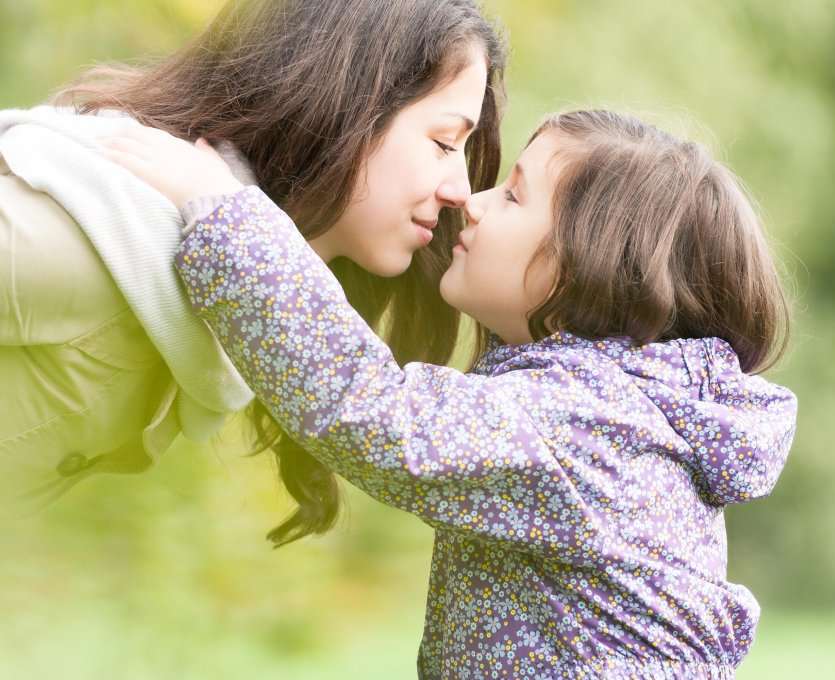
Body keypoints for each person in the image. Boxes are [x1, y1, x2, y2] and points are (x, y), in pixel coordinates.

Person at [104, 108, 797, 677]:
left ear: (590, 269)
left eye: (515, 194)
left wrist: (222, 210)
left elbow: (372, 411)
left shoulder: (591, 427)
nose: (471, 198)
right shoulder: (614, 409)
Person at [0, 0, 507, 545]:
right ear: (341, 106)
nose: (461, 190)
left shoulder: (221, 298)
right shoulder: (105, 232)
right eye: (444, 142)